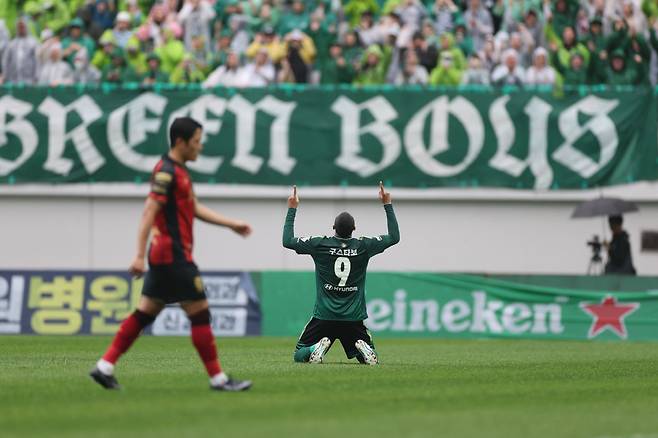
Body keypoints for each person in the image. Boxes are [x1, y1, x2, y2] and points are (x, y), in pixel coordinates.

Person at [90, 117, 253, 392]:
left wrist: (231, 224)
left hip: (163, 256)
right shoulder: (166, 172)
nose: (200, 148)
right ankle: (218, 379)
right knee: (200, 314)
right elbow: (149, 211)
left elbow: (194, 208)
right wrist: (138, 255)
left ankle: (105, 366)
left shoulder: (178, 171)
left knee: (144, 313)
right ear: (181, 142)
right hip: (173, 256)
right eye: (197, 142)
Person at [282, 182, 400, 365]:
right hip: (353, 317)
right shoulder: (363, 246)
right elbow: (394, 237)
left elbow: (288, 241)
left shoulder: (320, 244)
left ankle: (314, 348)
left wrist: (292, 208)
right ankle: (363, 348)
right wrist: (387, 204)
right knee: (368, 355)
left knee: (299, 354)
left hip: (324, 316)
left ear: (333, 227)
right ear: (354, 229)